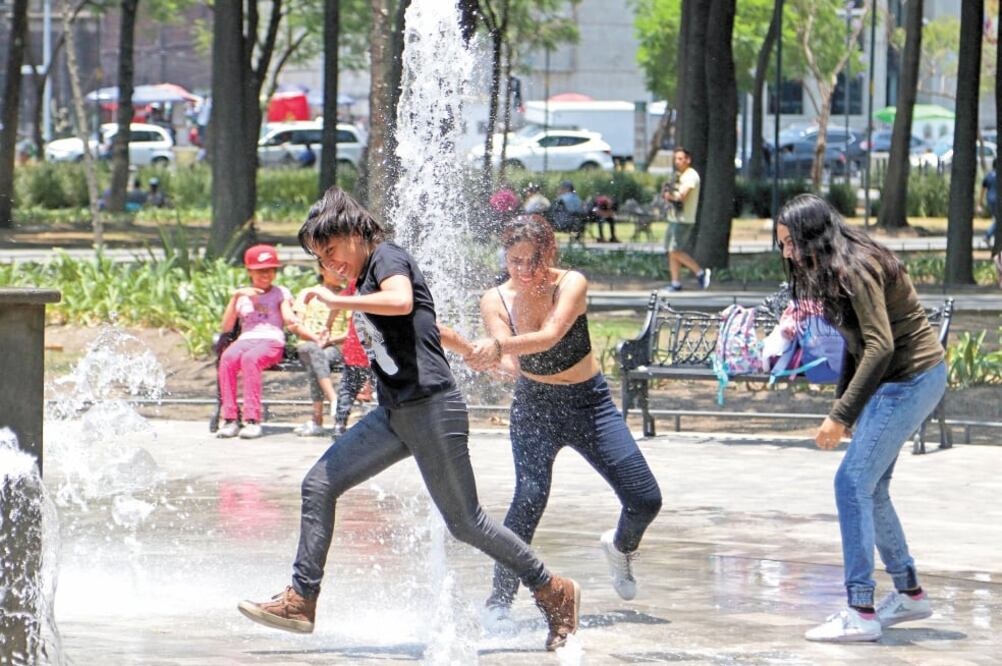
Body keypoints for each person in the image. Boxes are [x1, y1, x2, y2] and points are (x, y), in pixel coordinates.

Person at [236, 187, 580, 652]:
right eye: (322, 258)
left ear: (354, 233)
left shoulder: (386, 258)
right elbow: (425, 323)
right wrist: (470, 350)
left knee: (466, 523)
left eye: (332, 251)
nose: (331, 264)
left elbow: (399, 301)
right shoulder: (364, 280)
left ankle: (552, 589)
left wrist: (337, 304)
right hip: (395, 413)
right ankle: (302, 599)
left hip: (434, 409)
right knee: (318, 484)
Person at [465, 214, 662, 615]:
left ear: (549, 253)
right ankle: (499, 599)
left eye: (531, 261)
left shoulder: (571, 283)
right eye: (514, 260)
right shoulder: (495, 299)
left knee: (645, 499)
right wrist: (495, 360)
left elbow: (552, 335)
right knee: (529, 499)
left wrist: (501, 350)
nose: (522, 270)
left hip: (589, 404)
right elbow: (509, 354)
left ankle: (620, 547)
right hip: (536, 407)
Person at [775, 195, 947, 643]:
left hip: (910, 379)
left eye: (790, 243)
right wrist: (844, 408)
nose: (787, 253)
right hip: (902, 380)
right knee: (872, 488)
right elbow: (857, 344)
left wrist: (840, 414)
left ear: (811, 236)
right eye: (783, 245)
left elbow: (881, 345)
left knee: (851, 484)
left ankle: (860, 609)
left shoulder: (856, 268)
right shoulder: (831, 269)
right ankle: (909, 593)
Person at [217, 245, 297, 439]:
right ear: (249, 271)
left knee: (250, 359)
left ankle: (252, 419)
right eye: (260, 270)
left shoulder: (280, 292)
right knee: (227, 358)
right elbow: (226, 328)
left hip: (271, 340)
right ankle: (230, 419)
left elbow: (288, 316)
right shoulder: (242, 296)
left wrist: (294, 320)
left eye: (271, 270)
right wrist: (236, 297)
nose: (266, 275)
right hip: (247, 338)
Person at [289, 264, 350, 437]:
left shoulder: (346, 297)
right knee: (314, 351)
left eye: (342, 269)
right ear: (322, 270)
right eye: (334, 268)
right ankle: (334, 399)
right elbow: (297, 324)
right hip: (308, 343)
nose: (340, 272)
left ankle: (317, 420)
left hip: (334, 346)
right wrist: (316, 339)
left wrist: (329, 340)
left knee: (317, 360)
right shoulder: (308, 293)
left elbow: (350, 330)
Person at [663, 147, 710, 291]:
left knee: (675, 250)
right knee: (671, 251)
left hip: (683, 219)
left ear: (688, 160)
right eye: (676, 158)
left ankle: (700, 272)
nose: (677, 161)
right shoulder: (680, 175)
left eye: (680, 158)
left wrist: (668, 195)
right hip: (674, 218)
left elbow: (682, 196)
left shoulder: (691, 175)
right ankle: (675, 283)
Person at [980, 158, 997, 249]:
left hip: (990, 199)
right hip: (998, 200)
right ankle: (987, 236)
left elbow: (983, 189)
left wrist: (980, 203)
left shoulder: (989, 175)